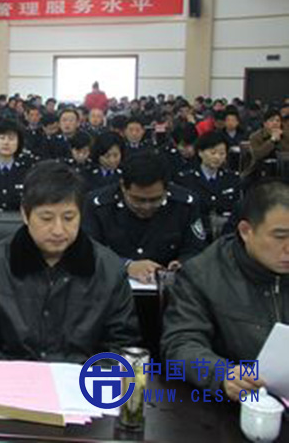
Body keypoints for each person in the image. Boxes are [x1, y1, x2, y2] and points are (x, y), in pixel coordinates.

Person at [0, 161, 140, 362]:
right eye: (46, 218)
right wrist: (16, 375)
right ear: (25, 214)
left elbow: (122, 346)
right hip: (10, 378)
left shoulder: (109, 268)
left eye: (68, 218)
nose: (58, 230)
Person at [161, 180, 289, 402]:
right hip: (232, 404)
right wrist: (221, 374)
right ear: (246, 231)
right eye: (280, 237)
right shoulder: (204, 274)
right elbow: (180, 345)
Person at [82, 150, 208, 284]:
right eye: (138, 200)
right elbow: (88, 251)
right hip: (113, 284)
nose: (147, 206)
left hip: (169, 286)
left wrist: (183, 263)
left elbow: (196, 248)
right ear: (123, 187)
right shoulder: (98, 205)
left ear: (167, 189)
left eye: (155, 199)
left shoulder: (186, 204)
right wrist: (126, 265)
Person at [176, 131, 241, 239]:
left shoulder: (232, 178)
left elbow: (237, 211)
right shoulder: (186, 179)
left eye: (222, 154)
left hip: (226, 236)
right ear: (200, 152)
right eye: (213, 153)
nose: (217, 157)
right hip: (196, 235)